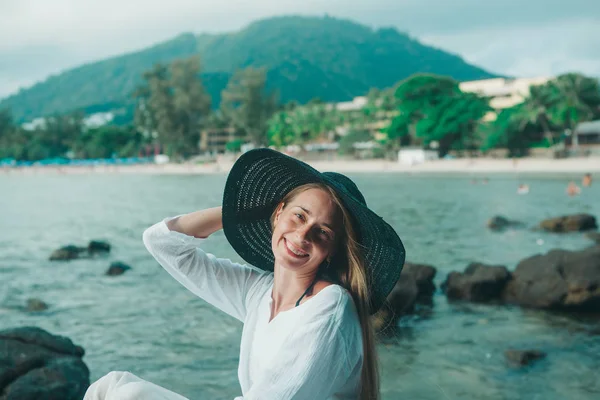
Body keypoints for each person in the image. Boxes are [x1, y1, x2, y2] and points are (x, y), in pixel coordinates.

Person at [84, 148, 406, 400]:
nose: (303, 235)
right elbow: (162, 242)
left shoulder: (329, 307)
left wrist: (278, 216)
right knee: (116, 388)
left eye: (322, 232)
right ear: (277, 212)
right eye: (298, 216)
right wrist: (245, 212)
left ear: (333, 249)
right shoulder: (259, 293)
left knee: (123, 393)